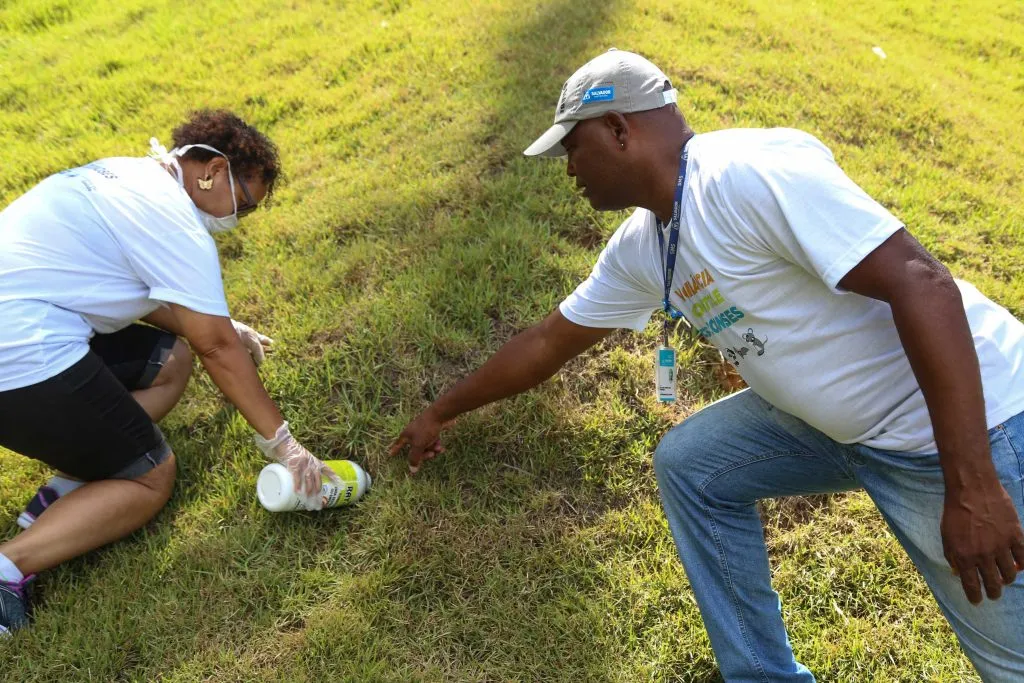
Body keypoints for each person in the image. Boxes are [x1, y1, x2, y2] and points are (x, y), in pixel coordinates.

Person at [391, 50, 1024, 680]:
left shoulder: (744, 174)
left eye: (571, 150)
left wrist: (971, 483)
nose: (569, 173)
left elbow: (922, 284)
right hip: (842, 432)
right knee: (694, 465)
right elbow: (547, 343)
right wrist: (439, 411)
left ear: (618, 129)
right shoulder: (646, 243)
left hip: (960, 434)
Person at [0, 110, 339, 634]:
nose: (238, 220)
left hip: (19, 333)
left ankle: (75, 479)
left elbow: (119, 285)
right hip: (20, 361)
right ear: (212, 171)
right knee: (150, 475)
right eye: (244, 205)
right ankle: (9, 567)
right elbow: (217, 347)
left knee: (168, 361)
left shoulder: (124, 174)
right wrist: (283, 443)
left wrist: (222, 322)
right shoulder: (176, 222)